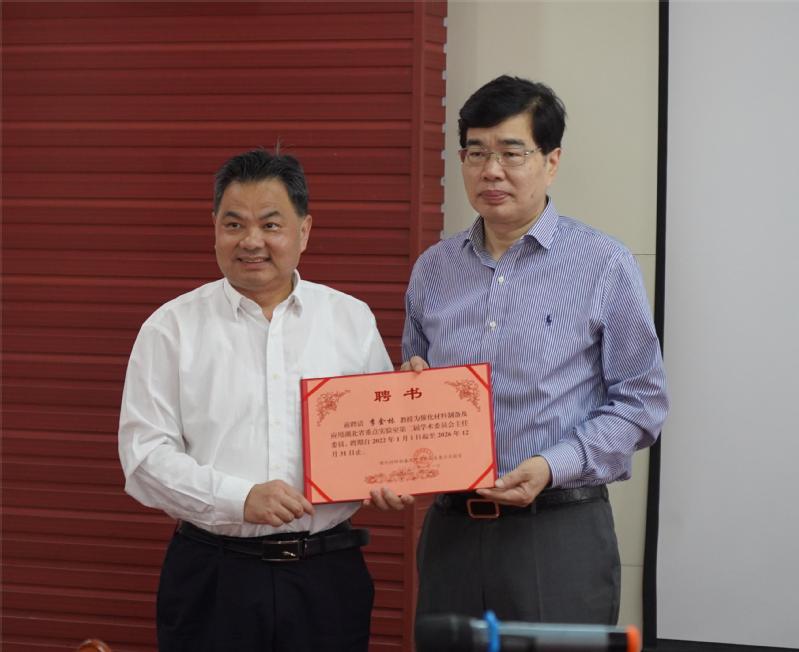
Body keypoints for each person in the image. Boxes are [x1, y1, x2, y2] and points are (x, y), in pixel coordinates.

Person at [400, 76, 669, 625]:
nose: (490, 170)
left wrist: (552, 465)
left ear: (552, 161)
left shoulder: (603, 263)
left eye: (511, 152)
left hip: (558, 531)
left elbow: (641, 403)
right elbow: (414, 380)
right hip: (451, 531)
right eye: (476, 152)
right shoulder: (434, 269)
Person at [118, 148, 407, 652]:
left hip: (326, 577)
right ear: (214, 229)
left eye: (271, 225)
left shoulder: (350, 319)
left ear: (304, 231)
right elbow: (144, 458)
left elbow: (382, 438)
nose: (251, 241)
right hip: (212, 578)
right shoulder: (171, 328)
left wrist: (396, 471)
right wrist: (241, 499)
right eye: (234, 224)